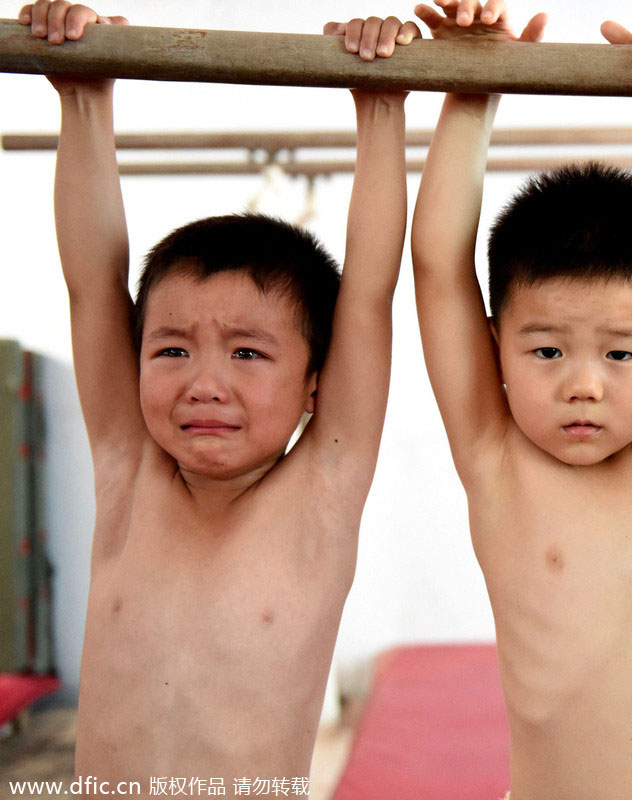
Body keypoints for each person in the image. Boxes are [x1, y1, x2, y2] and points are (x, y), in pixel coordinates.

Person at [19, 1, 420, 795]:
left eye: (246, 353)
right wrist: (84, 97)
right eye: (171, 350)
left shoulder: (322, 493)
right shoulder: (128, 471)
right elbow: (92, 282)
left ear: (315, 383)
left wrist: (381, 107)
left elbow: (369, 293)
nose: (205, 384)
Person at [411, 1, 632, 797]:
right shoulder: (496, 459)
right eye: (546, 350)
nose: (582, 384)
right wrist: (469, 89)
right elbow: (438, 267)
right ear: (495, 347)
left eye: (619, 354)